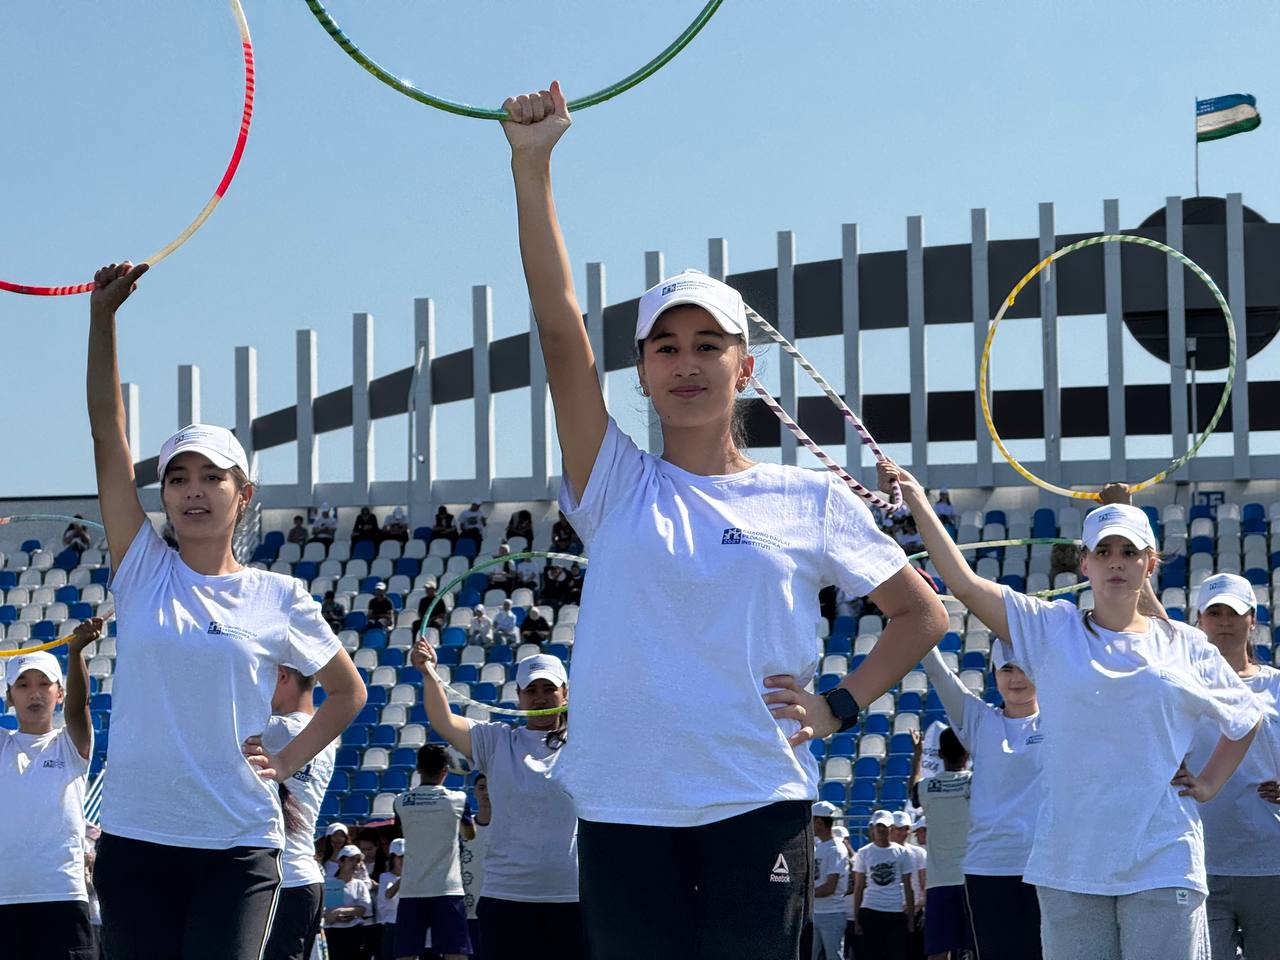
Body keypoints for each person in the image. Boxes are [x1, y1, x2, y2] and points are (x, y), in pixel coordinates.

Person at [499, 82, 946, 959]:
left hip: (757, 801)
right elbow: (558, 332)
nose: (687, 364)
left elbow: (921, 612)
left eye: (709, 346)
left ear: (745, 368)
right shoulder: (615, 482)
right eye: (666, 347)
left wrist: (837, 706)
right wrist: (532, 166)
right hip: (624, 806)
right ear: (640, 371)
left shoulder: (808, 498)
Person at [85, 261, 366, 960]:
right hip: (137, 838)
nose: (193, 490)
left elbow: (349, 693)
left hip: (238, 846)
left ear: (243, 494)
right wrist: (102, 318)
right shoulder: (142, 568)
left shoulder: (279, 596)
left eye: (212, 476)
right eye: (178, 478)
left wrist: (287, 759)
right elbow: (107, 435)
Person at [881, 459, 1263, 960]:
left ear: (1150, 564)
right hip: (1069, 864)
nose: (1116, 562)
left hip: (1164, 858)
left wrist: (1209, 783)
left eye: (1129, 552)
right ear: (1085, 563)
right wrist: (918, 501)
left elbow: (1246, 717)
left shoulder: (1185, 644)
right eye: (1103, 551)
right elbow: (965, 583)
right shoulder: (1050, 628)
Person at [412, 641, 582, 960]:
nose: (540, 697)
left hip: (571, 896)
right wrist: (427, 673)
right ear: (518, 695)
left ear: (566, 693)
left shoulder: (584, 742)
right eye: (531, 690)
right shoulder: (497, 740)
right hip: (506, 895)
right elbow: (443, 721)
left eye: (549, 688)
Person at [919, 635, 1044, 960]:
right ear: (993, 674)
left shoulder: (1060, 719)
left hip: (1046, 866)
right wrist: (914, 612)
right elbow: (938, 671)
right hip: (987, 868)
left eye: (1024, 668)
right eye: (1006, 669)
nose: (1016, 678)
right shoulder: (978, 719)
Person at [1186, 573, 1280, 960]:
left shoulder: (1277, 686)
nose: (1225, 622)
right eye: (1215, 613)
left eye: (1235, 613)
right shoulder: (1181, 687)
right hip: (1197, 860)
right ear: (1199, 620)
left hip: (1269, 859)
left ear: (1253, 620)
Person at [0, 621, 101, 960]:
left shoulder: (70, 745)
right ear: (9, 697)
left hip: (62, 895)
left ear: (60, 694)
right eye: (23, 685)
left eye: (45, 684)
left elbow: (79, 708)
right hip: (5, 898)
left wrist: (76, 654)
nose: (35, 693)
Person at [258, 666, 338, 960]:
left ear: (282, 676)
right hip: (305, 875)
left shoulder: (278, 730)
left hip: (281, 880)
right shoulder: (327, 740)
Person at [392, 744, 475, 960]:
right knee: (456, 952)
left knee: (406, 954)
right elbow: (470, 834)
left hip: (412, 890)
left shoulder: (400, 802)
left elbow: (402, 829)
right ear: (445, 770)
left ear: (418, 769)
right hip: (447, 889)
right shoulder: (458, 800)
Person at [911, 727, 972, 960]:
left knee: (938, 952)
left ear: (939, 754)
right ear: (967, 753)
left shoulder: (926, 788)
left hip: (939, 882)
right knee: (980, 946)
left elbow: (913, 788)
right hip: (973, 879)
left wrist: (918, 754)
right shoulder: (977, 783)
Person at [850, 810, 915, 960]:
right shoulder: (863, 853)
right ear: (872, 828)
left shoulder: (902, 852)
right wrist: (856, 919)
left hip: (895, 911)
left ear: (891, 828)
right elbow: (858, 887)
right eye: (878, 826)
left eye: (885, 826)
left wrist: (911, 919)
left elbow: (908, 886)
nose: (881, 830)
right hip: (871, 910)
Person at [811, 801, 849, 960]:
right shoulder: (821, 846)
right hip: (817, 912)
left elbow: (829, 887)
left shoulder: (836, 849)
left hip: (831, 914)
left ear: (819, 822)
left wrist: (805, 895)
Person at [459, 773, 491, 956]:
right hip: (468, 912)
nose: (486, 793)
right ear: (474, 792)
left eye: (490, 788)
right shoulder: (463, 828)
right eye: (481, 788)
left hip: (500, 908)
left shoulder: (507, 827)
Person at [324, 846, 373, 959]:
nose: (355, 864)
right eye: (351, 860)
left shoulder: (359, 884)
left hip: (355, 932)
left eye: (358, 860)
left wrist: (340, 911)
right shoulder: (329, 883)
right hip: (332, 933)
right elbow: (327, 913)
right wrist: (335, 915)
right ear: (340, 862)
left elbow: (363, 909)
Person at [891, 811, 927, 955]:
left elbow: (924, 883)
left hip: (914, 911)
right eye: (899, 828)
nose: (903, 832)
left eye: (905, 829)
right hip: (890, 911)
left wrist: (917, 906)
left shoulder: (919, 853)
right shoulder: (878, 852)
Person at [375, 839, 405, 960]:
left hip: (409, 924)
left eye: (405, 857)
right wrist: (403, 878)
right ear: (392, 858)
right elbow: (388, 894)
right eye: (399, 857)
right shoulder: (385, 877)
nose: (402, 860)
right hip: (391, 926)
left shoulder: (415, 879)